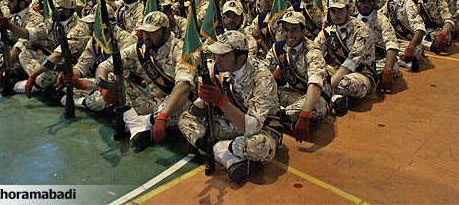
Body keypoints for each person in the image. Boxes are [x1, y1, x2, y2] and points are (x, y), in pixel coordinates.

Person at [179, 31, 282, 183]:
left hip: (262, 129)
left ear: (241, 58)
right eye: (216, 55)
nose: (217, 59)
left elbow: (251, 126)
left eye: (224, 55)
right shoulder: (218, 70)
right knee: (185, 119)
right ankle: (228, 156)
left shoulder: (262, 78)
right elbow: (196, 112)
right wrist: (205, 98)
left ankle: (214, 149)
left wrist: (220, 101)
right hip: (231, 124)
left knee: (258, 147)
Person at [95, 11, 194, 149]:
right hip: (152, 100)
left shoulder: (181, 50)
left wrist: (163, 116)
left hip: (174, 103)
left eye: (152, 32)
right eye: (145, 32)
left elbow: (184, 86)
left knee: (181, 105)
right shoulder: (141, 47)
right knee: (116, 79)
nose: (147, 36)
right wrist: (103, 86)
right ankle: (138, 124)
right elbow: (104, 66)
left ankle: (135, 122)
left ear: (166, 32)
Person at [266, 10, 331, 142]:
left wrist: (304, 114)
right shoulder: (278, 48)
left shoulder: (313, 51)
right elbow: (262, 72)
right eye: (286, 30)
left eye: (294, 30)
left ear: (303, 31)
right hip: (291, 93)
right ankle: (286, 120)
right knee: (266, 94)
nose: (289, 35)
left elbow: (315, 85)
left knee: (317, 107)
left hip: (314, 97)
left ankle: (274, 118)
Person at [314, 0, 376, 114]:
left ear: (349, 10)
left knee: (345, 84)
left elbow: (351, 62)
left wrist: (329, 85)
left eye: (340, 10)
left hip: (360, 73)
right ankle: (335, 98)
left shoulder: (362, 30)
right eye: (333, 11)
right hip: (336, 70)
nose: (336, 15)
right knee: (312, 73)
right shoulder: (328, 31)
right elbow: (314, 51)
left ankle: (327, 96)